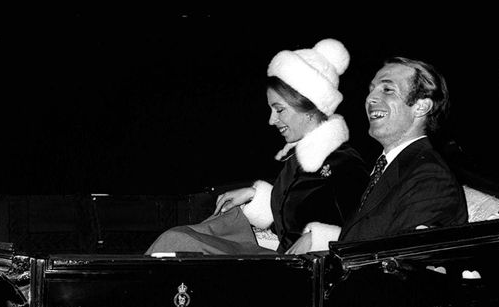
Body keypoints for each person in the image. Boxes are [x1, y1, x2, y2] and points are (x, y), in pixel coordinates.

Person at [145, 39, 368, 255]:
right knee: (177, 241)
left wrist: (318, 239)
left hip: (305, 274)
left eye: (279, 110)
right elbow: (298, 209)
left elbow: (369, 229)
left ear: (309, 110)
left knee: (178, 243)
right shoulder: (298, 160)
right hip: (285, 261)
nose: (271, 120)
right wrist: (256, 195)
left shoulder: (344, 163)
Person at [292, 57, 468, 252]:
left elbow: (399, 266)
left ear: (421, 107)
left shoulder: (431, 179)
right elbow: (370, 235)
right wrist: (317, 238)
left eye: (387, 90)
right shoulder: (388, 166)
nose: (370, 99)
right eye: (371, 89)